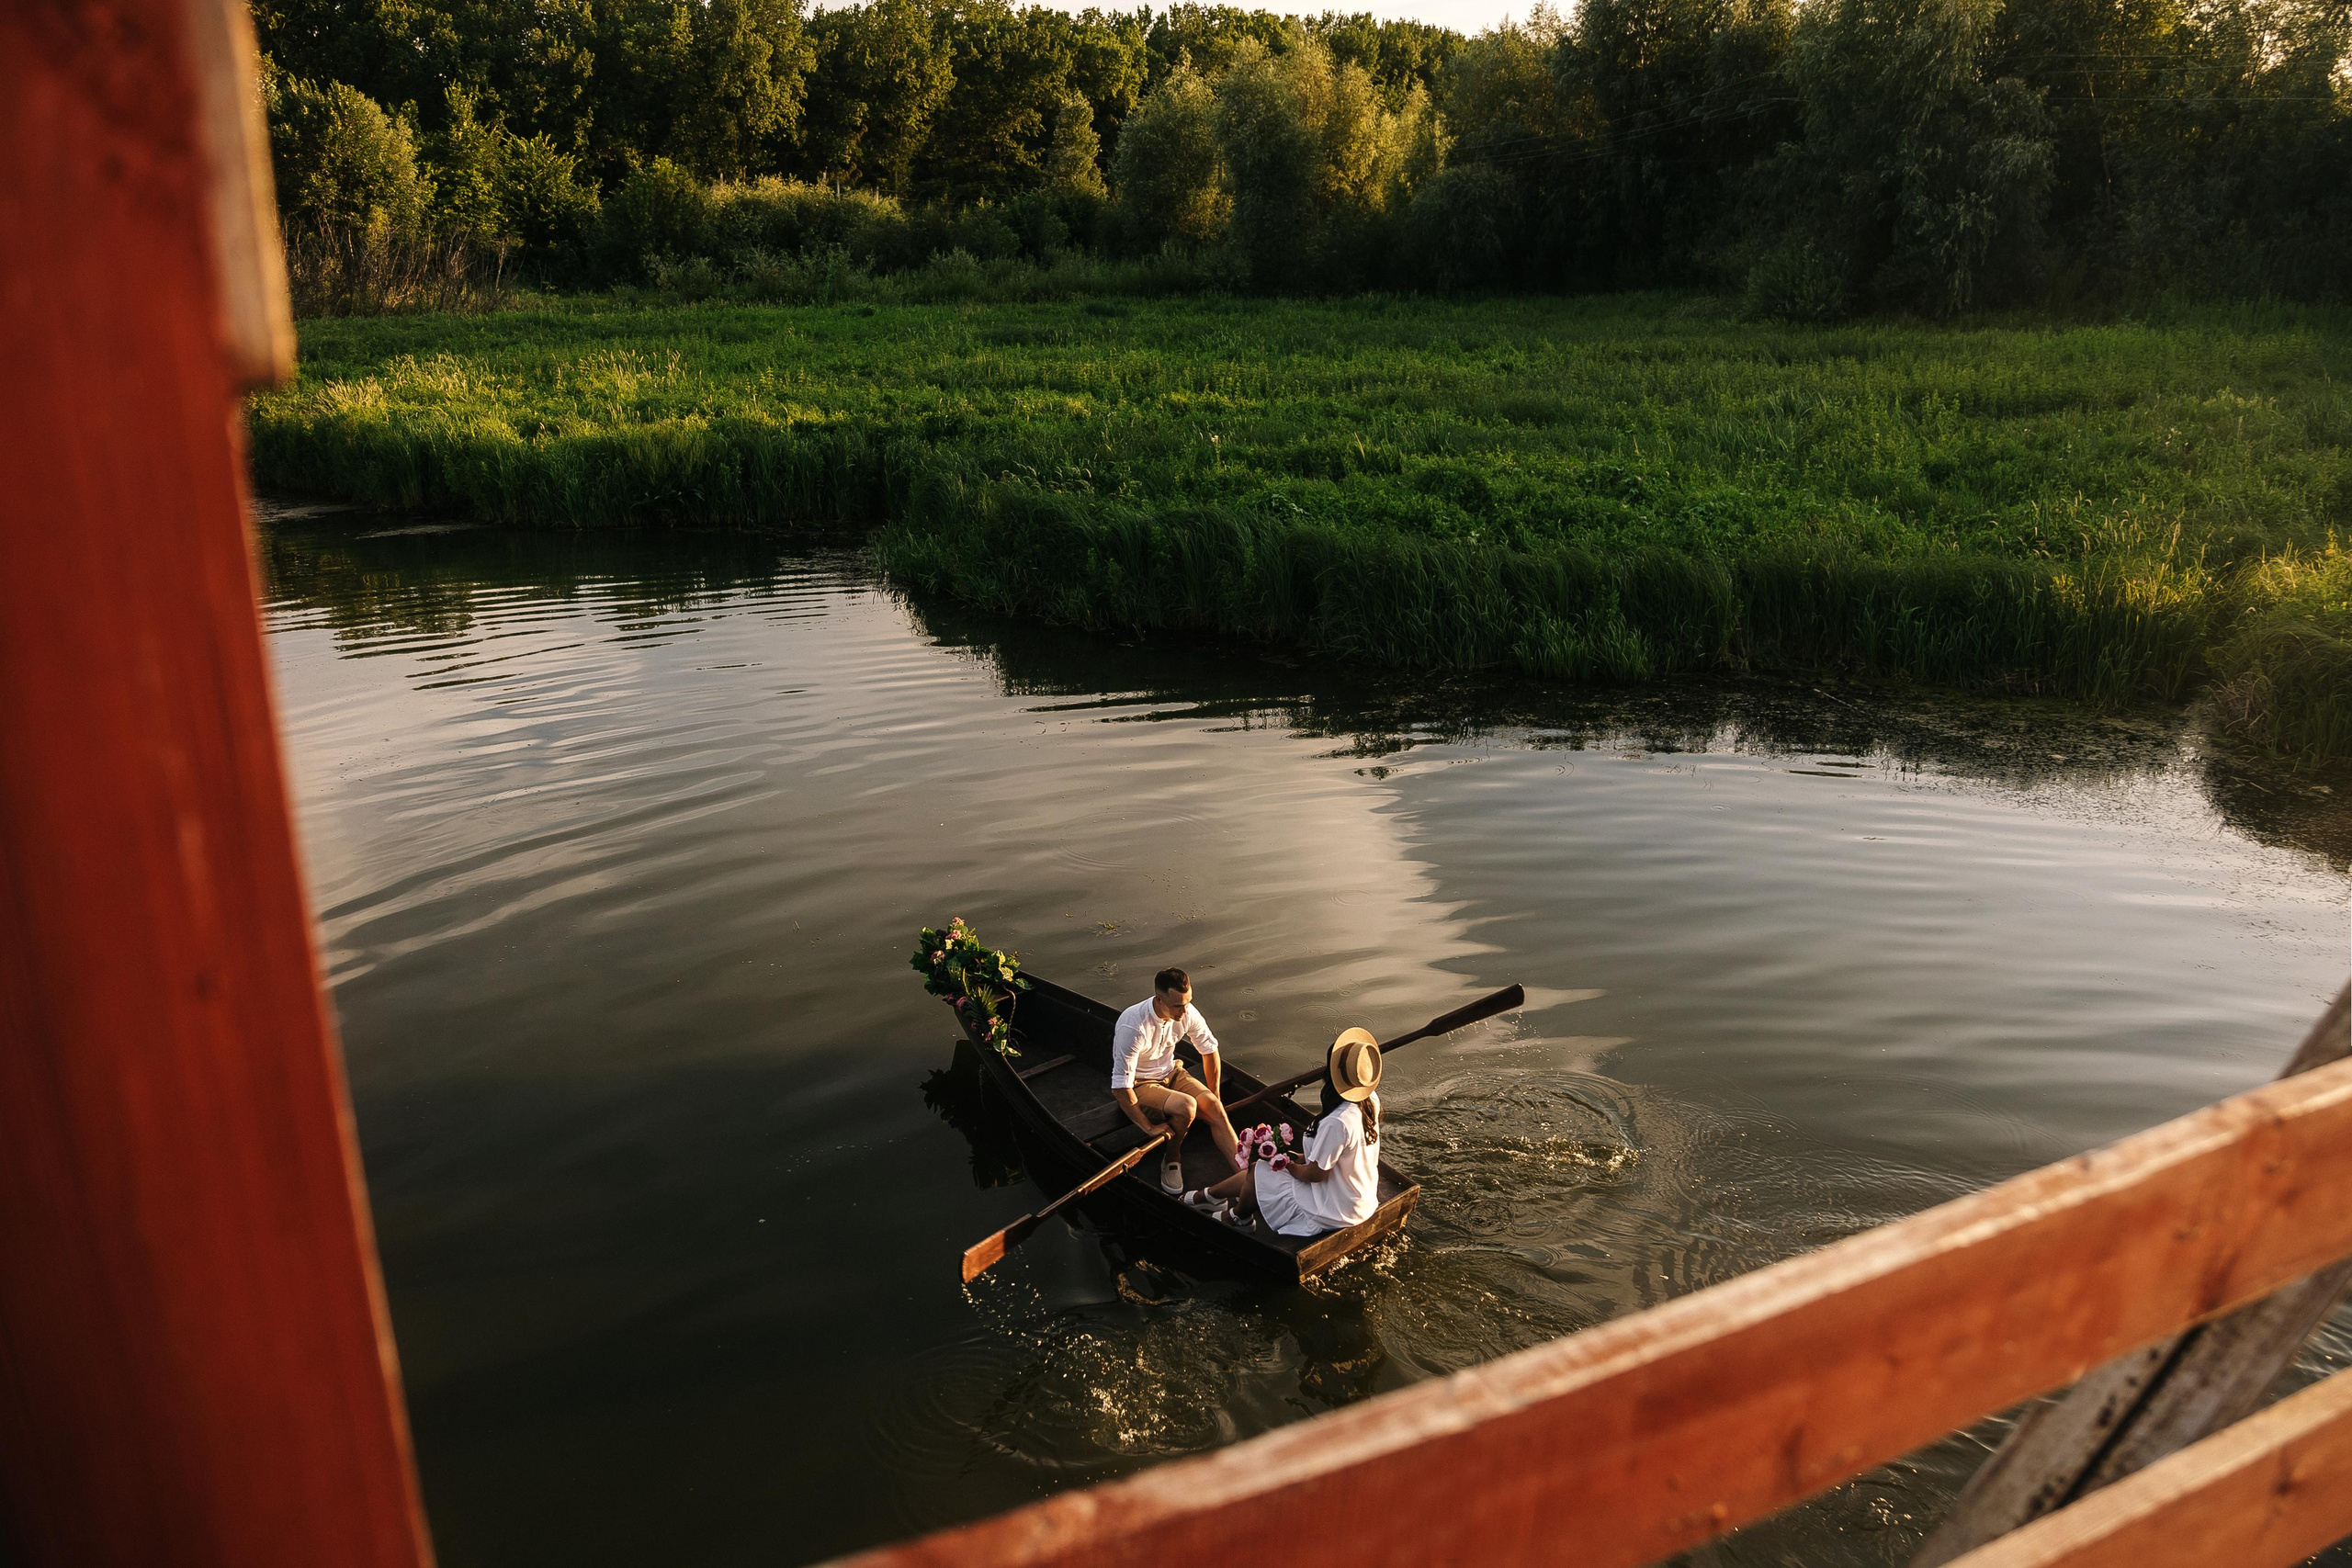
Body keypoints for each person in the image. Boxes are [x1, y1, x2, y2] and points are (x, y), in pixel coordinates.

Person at [1184, 1028, 1382, 1235]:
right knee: (1265, 1167)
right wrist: (1296, 1158)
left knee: (1259, 1169)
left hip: (1337, 1209)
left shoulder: (1337, 1122)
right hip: (1361, 1199)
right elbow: (1336, 1156)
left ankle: (1238, 1217)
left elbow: (1315, 1175)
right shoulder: (1370, 1100)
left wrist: (1288, 1165)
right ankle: (1211, 1195)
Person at [1111, 967, 1242, 1192]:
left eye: (1187, 1002)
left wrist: (1215, 1097)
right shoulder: (1133, 1026)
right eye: (1177, 1006)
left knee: (1213, 1107)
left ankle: (1247, 1175)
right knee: (1187, 1107)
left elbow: (1209, 1050)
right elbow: (1121, 1088)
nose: (1184, 1011)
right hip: (1141, 1084)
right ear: (1159, 1000)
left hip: (1172, 1072)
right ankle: (1172, 1157)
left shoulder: (1187, 1011)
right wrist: (1149, 1127)